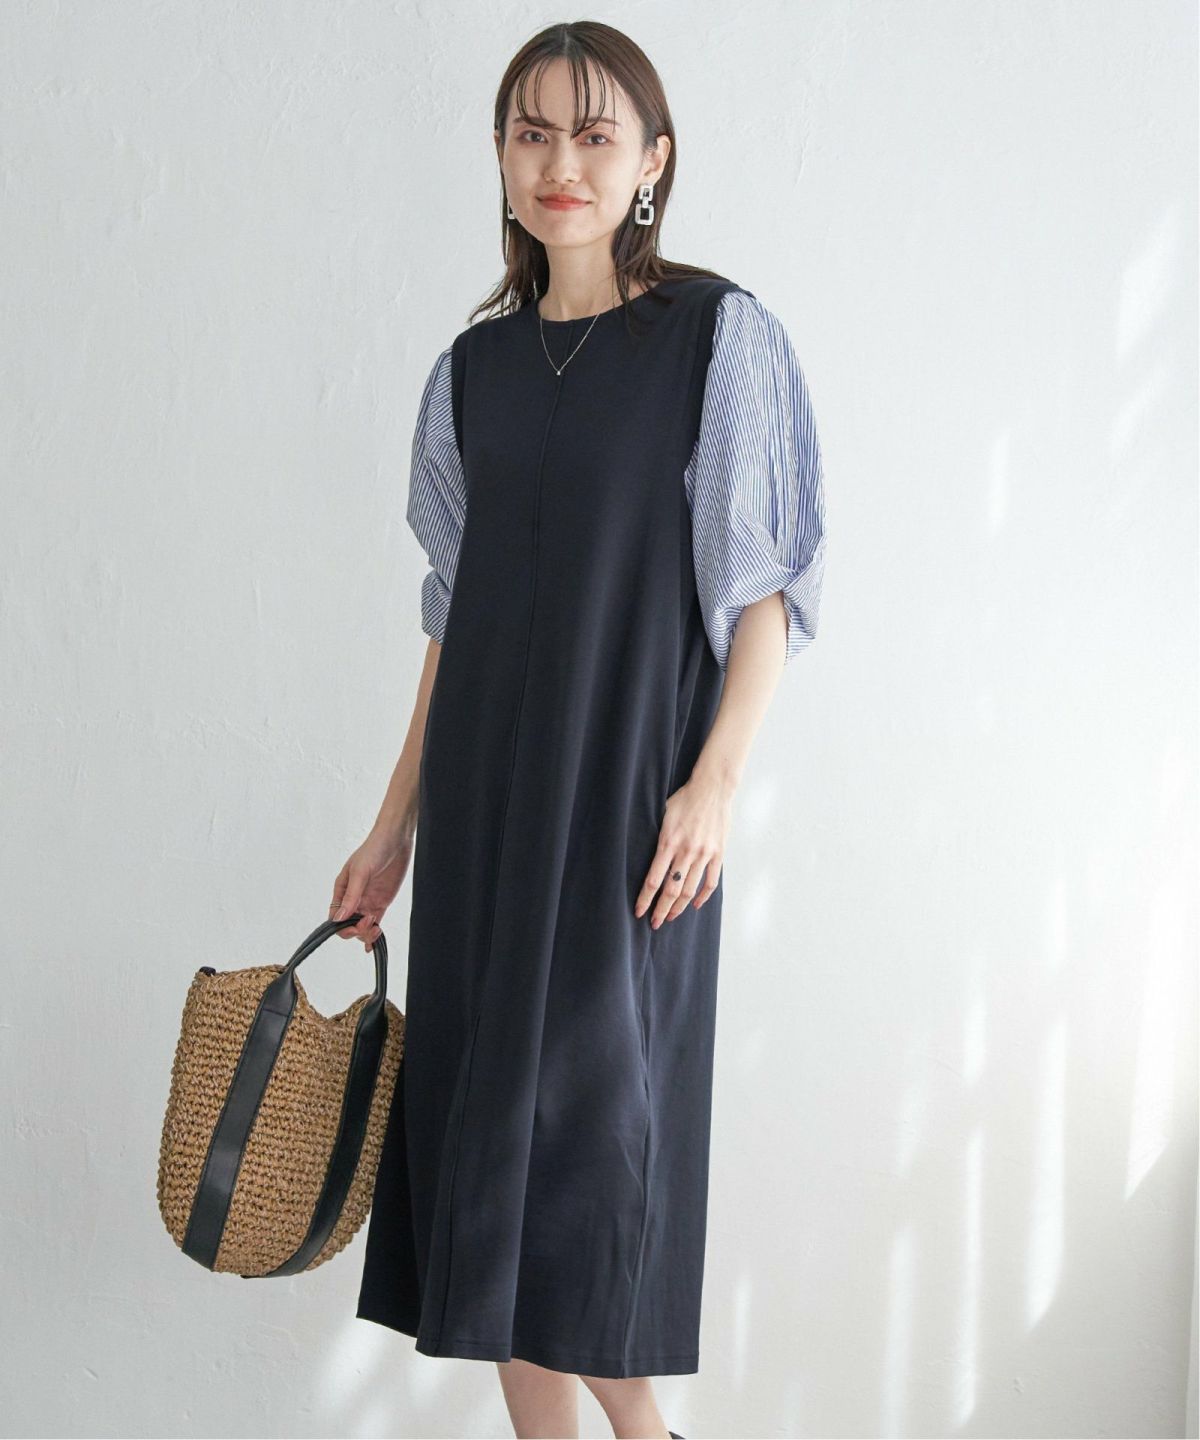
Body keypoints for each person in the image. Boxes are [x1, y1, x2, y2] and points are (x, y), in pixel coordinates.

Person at [330, 20, 826, 1440]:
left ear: (652, 161)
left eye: (596, 135)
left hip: (627, 818)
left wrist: (714, 788)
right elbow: (453, 620)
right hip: (483, 824)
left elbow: (766, 593)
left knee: (589, 1195)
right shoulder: (471, 373)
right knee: (488, 1200)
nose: (563, 163)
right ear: (500, 154)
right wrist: (390, 833)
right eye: (533, 132)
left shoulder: (716, 341)